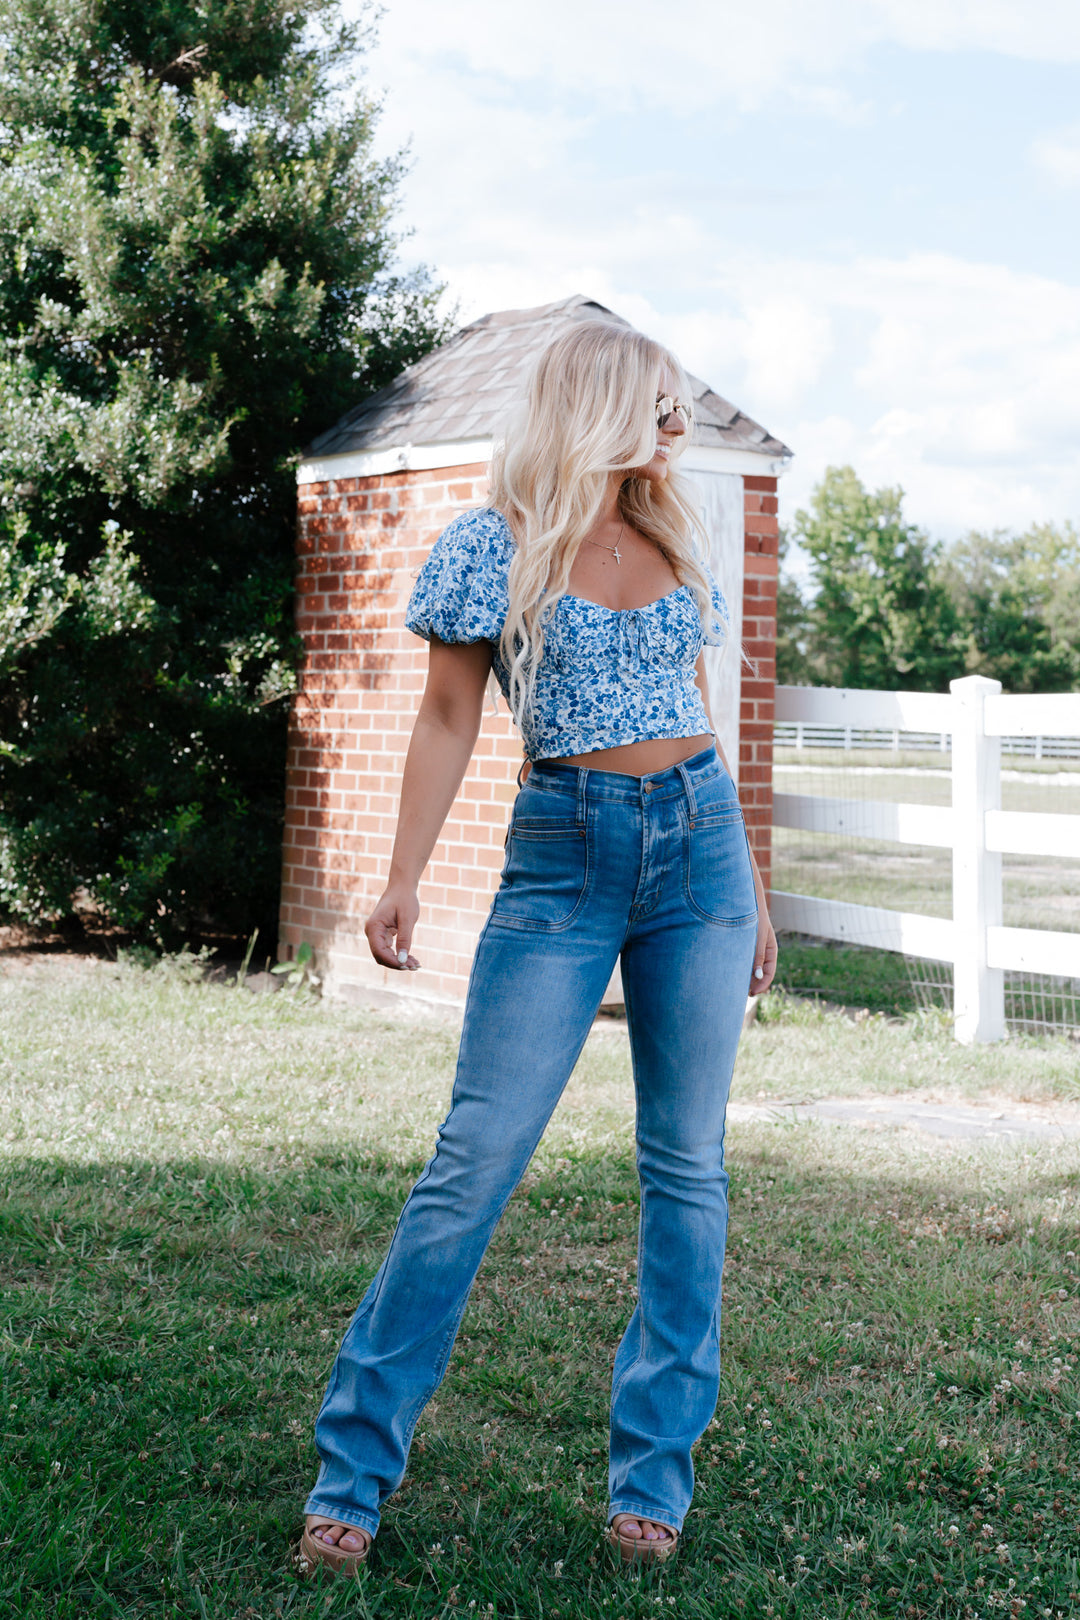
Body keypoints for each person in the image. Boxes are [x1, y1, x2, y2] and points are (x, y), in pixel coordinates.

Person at [300, 320, 778, 1576]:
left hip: (702, 851)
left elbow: (697, 711)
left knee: (687, 1168)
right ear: (601, 406)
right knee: (473, 1163)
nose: (677, 429)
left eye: (681, 413)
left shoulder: (675, 531)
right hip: (564, 854)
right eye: (661, 408)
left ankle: (652, 1483)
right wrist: (402, 874)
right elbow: (451, 714)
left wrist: (754, 892)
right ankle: (352, 1470)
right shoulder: (490, 545)